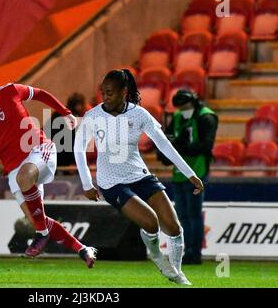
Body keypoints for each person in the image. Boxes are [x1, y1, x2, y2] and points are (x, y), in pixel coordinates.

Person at [0, 62, 97, 268]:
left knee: (27, 186)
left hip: (39, 150)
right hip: (14, 169)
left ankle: (42, 235)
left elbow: (40, 94)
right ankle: (83, 249)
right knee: (38, 219)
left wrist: (65, 113)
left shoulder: (9, 91)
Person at [74, 69, 204, 285]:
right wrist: (87, 183)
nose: (105, 97)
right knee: (151, 223)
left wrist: (190, 173)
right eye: (103, 93)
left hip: (139, 175)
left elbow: (164, 144)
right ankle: (157, 258)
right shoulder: (93, 116)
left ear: (124, 92)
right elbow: (79, 149)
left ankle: (177, 273)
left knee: (174, 227)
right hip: (111, 182)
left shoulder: (139, 114)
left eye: (110, 93)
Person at [160, 89, 218, 265]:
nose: (182, 109)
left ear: (193, 102)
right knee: (182, 215)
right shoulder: (178, 117)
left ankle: (195, 252)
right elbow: (167, 140)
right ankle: (186, 251)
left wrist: (180, 146)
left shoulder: (206, 117)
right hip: (179, 172)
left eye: (185, 106)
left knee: (193, 214)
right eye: (180, 107)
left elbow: (206, 145)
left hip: (197, 170)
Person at [45, 92, 88, 168]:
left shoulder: (56, 114)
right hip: (64, 163)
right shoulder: (75, 120)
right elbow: (75, 144)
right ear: (79, 106)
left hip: (50, 159)